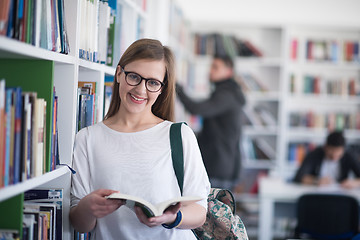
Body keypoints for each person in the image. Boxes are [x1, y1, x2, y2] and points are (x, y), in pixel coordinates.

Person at [69, 39, 210, 240]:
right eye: (134, 77)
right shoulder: (88, 138)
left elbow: (199, 212)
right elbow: (80, 225)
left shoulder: (180, 135)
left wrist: (172, 218)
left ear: (161, 88)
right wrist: (88, 208)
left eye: (152, 82)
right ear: (119, 74)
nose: (141, 90)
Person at [176, 55, 246, 190]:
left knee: (212, 209)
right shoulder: (227, 93)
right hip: (222, 163)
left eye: (215, 67)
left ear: (228, 71)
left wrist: (176, 87)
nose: (210, 71)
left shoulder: (226, 95)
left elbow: (197, 109)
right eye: (211, 67)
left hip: (218, 166)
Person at [293, 131, 360, 189]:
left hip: (342, 196)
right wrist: (316, 181)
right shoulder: (314, 154)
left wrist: (355, 183)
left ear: (344, 150)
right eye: (331, 153)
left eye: (338, 154)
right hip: (317, 194)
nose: (334, 157)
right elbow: (299, 177)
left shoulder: (349, 156)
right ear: (325, 147)